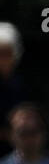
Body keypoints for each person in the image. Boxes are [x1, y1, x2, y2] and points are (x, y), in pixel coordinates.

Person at [0, 22, 27, 155]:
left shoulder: (19, 82)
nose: (4, 58)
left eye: (7, 53)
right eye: (1, 53)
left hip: (17, 150)